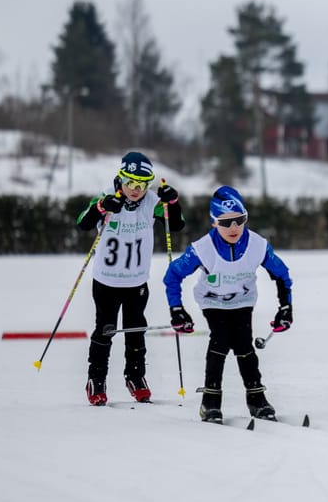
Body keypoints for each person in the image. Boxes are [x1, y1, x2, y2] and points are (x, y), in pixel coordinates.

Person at [163, 187, 293, 423]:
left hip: (243, 300)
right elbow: (172, 276)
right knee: (221, 339)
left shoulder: (257, 244)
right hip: (212, 301)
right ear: (214, 223)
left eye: (239, 220)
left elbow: (282, 275)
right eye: (225, 223)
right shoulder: (202, 249)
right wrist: (177, 310)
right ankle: (210, 403)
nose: (233, 228)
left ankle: (257, 400)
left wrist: (286, 307)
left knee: (244, 343)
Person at [75, 151, 184, 406]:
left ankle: (135, 377)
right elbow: (82, 222)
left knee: (136, 330)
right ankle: (97, 380)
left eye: (142, 185)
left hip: (136, 281)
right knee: (105, 330)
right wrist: (101, 208)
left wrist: (173, 202)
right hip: (107, 282)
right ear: (121, 179)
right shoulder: (106, 197)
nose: (135, 190)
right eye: (131, 183)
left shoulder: (151, 202)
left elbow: (176, 224)